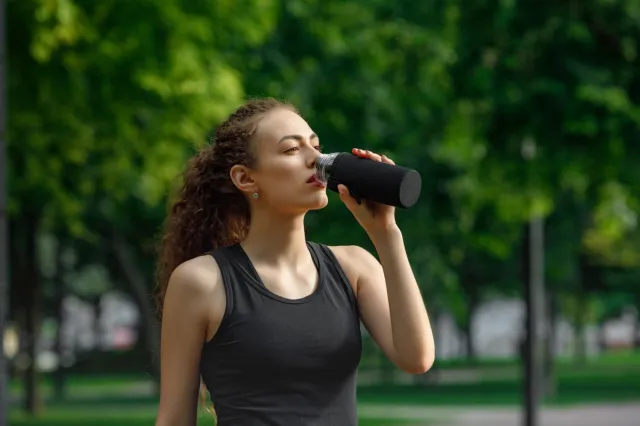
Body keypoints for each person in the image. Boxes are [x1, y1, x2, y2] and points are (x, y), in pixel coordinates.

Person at [154, 98, 435, 426]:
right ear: (246, 178)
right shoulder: (202, 282)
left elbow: (417, 358)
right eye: (291, 150)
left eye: (316, 146)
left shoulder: (354, 267)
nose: (316, 160)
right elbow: (174, 418)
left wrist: (386, 232)